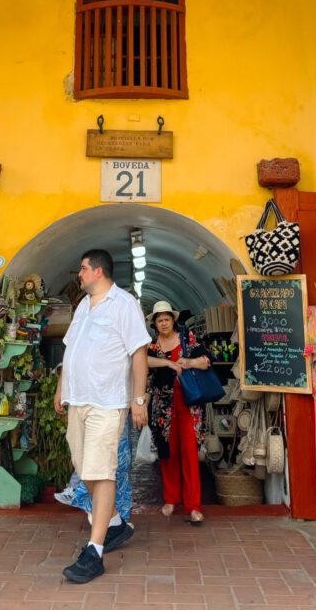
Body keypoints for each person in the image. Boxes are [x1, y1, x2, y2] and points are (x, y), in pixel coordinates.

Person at [54, 249, 150, 584]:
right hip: (78, 400)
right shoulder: (83, 306)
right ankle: (113, 524)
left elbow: (139, 352)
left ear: (97, 270)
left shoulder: (124, 304)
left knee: (101, 468)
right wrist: (60, 388)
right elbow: (72, 350)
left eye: (82, 269)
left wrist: (138, 399)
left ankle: (93, 552)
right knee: (84, 467)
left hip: (108, 403)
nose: (78, 274)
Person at [146, 300, 210, 525]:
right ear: (154, 324)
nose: (163, 323)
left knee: (190, 455)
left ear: (173, 320)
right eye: (159, 320)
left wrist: (189, 362)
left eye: (167, 319)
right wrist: (167, 364)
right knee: (167, 454)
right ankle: (171, 499)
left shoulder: (188, 339)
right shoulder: (152, 347)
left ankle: (193, 506)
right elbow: (143, 366)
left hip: (189, 405)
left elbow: (206, 362)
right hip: (163, 408)